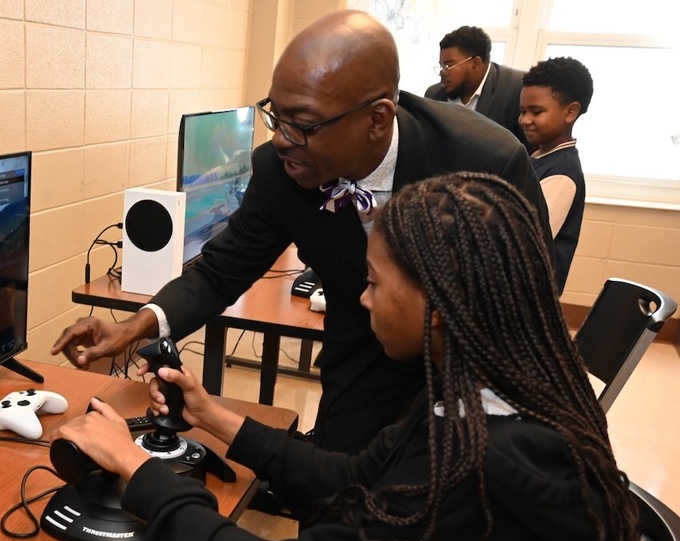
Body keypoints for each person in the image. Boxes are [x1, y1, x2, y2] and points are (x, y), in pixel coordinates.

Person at [53, 172, 640, 541]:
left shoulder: (473, 475)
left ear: (438, 304)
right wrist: (210, 415)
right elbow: (353, 476)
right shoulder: (494, 397)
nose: (361, 300)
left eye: (376, 283)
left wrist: (136, 467)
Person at [52, 10, 553, 458]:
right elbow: (222, 270)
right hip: (359, 363)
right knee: (335, 507)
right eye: (277, 115)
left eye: (303, 125)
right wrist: (134, 327)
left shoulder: (485, 162)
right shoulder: (278, 169)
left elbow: (523, 309)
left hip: (469, 376)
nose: (280, 139)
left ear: (377, 119)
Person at [520, 56, 594, 294]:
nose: (525, 120)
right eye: (522, 111)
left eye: (536, 111)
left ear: (571, 111)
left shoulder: (562, 172)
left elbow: (526, 241)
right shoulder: (539, 156)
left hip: (531, 297)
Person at [424, 26, 528, 146]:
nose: (442, 72)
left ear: (475, 63)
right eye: (441, 66)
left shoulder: (516, 88)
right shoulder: (434, 95)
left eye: (448, 66)